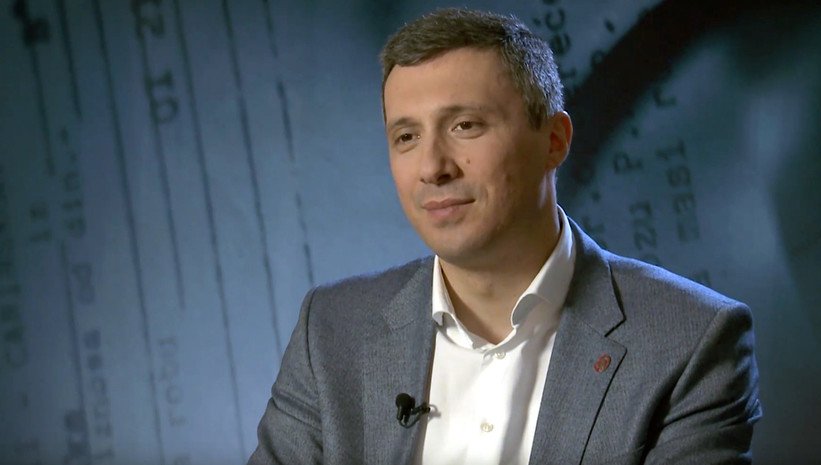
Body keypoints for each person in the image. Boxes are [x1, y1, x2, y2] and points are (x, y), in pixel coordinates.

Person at [248, 8, 761, 465]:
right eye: (407, 136)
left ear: (554, 141)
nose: (432, 167)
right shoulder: (331, 330)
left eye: (465, 126)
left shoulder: (690, 341)